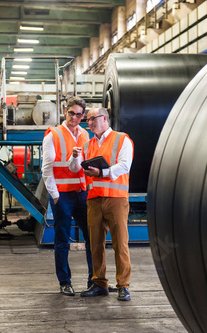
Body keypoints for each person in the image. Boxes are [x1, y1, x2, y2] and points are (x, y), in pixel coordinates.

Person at [70, 107, 133, 301]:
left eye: (92, 119)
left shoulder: (122, 139)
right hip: (94, 199)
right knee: (95, 243)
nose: (88, 123)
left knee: (120, 243)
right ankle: (99, 283)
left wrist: (102, 173)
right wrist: (74, 156)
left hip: (116, 198)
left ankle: (123, 285)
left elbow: (124, 165)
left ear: (104, 118)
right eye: (87, 121)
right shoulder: (88, 145)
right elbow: (75, 169)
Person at [42, 96, 93, 296]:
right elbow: (47, 169)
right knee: (62, 239)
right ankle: (64, 281)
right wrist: (55, 195)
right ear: (65, 111)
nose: (74, 117)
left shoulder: (85, 135)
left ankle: (94, 280)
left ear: (83, 116)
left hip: (82, 194)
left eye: (79, 114)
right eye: (71, 113)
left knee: (92, 237)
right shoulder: (53, 135)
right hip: (61, 196)